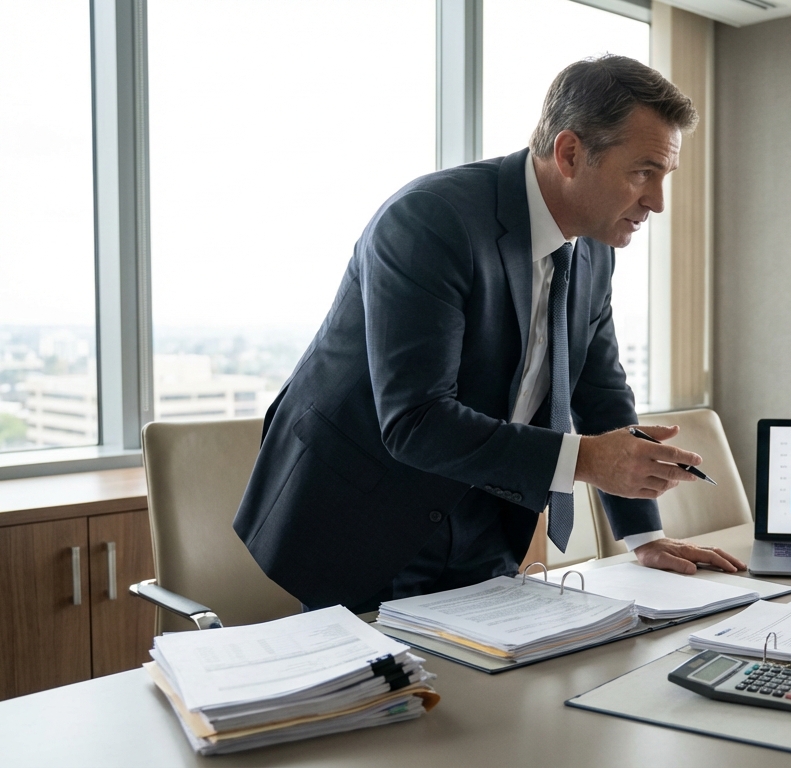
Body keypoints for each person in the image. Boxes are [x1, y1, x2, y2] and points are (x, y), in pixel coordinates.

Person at [233, 55, 745, 613]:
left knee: (490, 687)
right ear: (570, 153)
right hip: (366, 511)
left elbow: (599, 392)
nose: (657, 202)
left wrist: (644, 538)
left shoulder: (595, 248)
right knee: (391, 697)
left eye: (664, 177)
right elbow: (414, 420)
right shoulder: (430, 221)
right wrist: (586, 461)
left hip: (486, 508)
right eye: (643, 172)